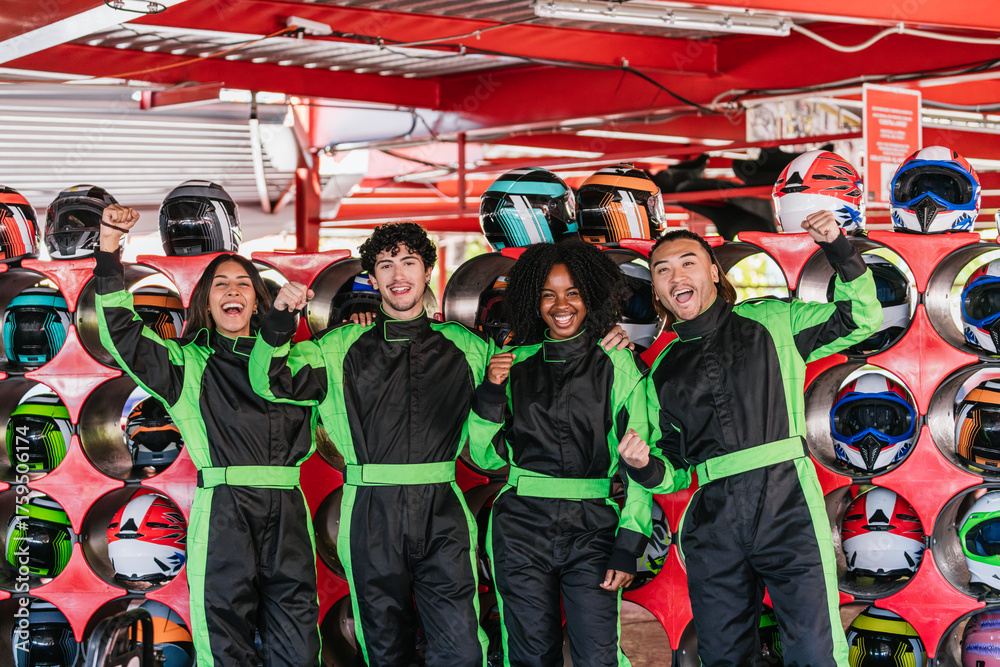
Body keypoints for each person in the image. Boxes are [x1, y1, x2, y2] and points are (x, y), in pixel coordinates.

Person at [635, 210, 882, 666]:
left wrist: (839, 248)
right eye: (662, 270)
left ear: (713, 271)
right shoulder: (662, 368)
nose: (675, 276)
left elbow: (861, 318)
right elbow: (670, 470)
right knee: (723, 655)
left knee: (814, 648)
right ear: (657, 290)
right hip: (711, 522)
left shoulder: (773, 319)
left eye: (688, 263)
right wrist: (643, 466)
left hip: (788, 505)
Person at [94, 205, 320, 667]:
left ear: (258, 300)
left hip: (288, 512)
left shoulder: (290, 358)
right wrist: (109, 248)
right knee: (224, 640)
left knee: (299, 644)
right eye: (221, 284)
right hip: (225, 513)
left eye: (242, 284)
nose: (232, 291)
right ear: (207, 301)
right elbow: (122, 332)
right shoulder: (186, 364)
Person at [467, 241, 659, 667]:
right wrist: (489, 394)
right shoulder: (512, 364)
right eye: (548, 294)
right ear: (533, 301)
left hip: (593, 529)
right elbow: (484, 457)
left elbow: (639, 464)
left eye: (572, 292)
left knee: (597, 656)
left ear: (590, 296)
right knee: (531, 656)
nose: (561, 305)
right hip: (520, 529)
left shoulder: (620, 364)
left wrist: (628, 545)